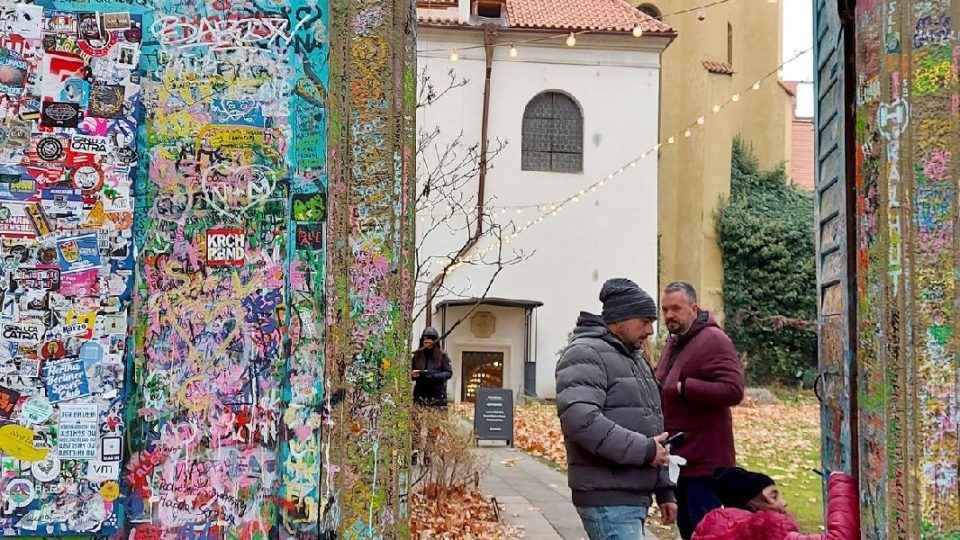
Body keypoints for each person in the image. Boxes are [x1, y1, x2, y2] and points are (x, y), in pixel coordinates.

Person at [556, 278, 677, 539]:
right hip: (608, 498)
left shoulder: (633, 357)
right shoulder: (586, 353)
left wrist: (664, 489)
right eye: (644, 322)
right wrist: (644, 450)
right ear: (620, 319)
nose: (650, 331)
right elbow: (581, 421)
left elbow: (652, 423)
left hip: (631, 495)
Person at [655, 281, 745, 539]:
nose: (670, 315)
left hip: (706, 463)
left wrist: (687, 388)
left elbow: (734, 389)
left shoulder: (714, 340)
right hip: (681, 459)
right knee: (688, 531)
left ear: (693, 308)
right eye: (665, 309)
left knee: (706, 532)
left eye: (676, 308)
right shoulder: (675, 342)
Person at [692, 467, 860, 540]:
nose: (784, 502)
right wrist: (840, 482)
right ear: (753, 504)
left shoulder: (711, 529)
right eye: (774, 496)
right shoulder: (765, 532)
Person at [411, 327, 452, 408]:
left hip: (437, 395)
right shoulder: (417, 355)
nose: (427, 345)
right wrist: (413, 374)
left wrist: (433, 375)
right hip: (420, 393)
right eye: (425, 343)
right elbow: (411, 371)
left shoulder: (442, 356)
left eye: (430, 343)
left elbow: (448, 373)